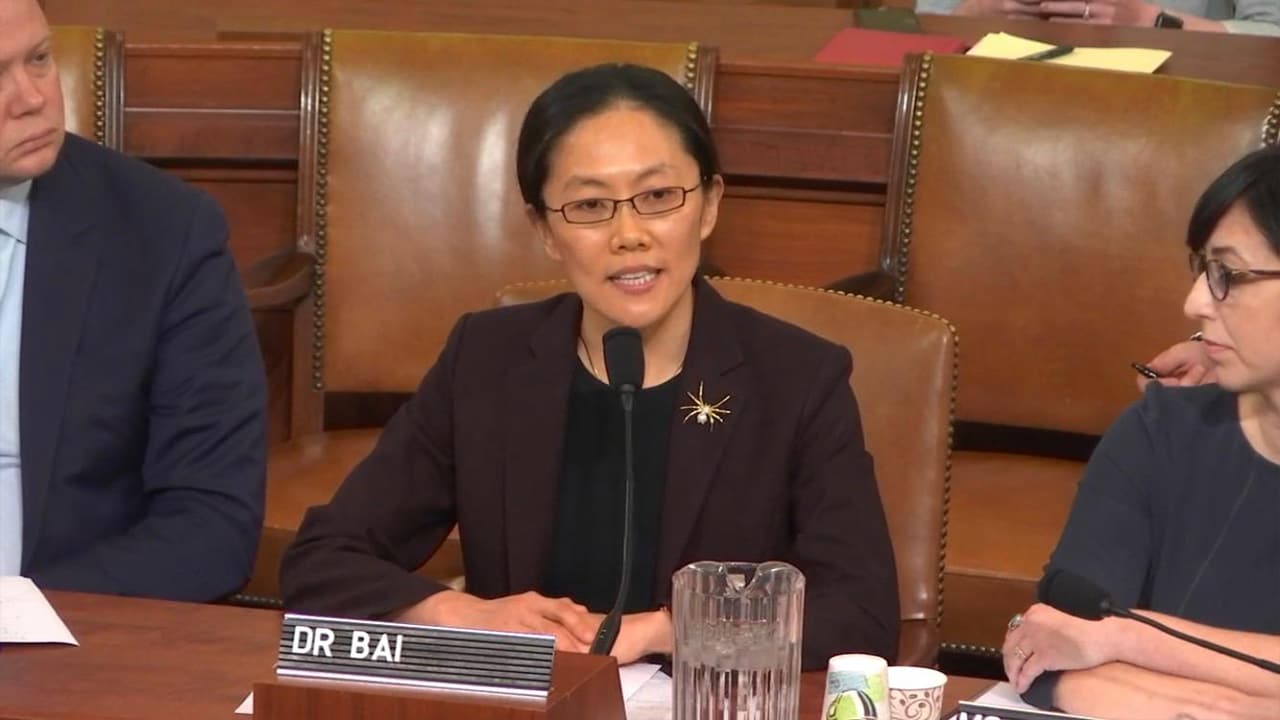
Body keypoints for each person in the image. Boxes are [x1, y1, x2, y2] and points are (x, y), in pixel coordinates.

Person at [279, 63, 899, 670]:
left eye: (658, 197)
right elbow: (323, 559)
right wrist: (466, 613)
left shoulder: (796, 379)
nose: (629, 234)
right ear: (545, 230)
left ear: (709, 205)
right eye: (589, 206)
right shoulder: (487, 360)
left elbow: (861, 615)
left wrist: (664, 629)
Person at [0, 0, 266, 600]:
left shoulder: (164, 231)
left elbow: (213, 524)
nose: (31, 97)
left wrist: (21, 613)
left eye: (39, 59)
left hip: (64, 638)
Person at [1002, 146, 1280, 718]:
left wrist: (1131, 641)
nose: (1195, 302)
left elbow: (1101, 637)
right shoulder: (1162, 428)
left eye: (1228, 274)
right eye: (1202, 269)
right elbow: (1052, 647)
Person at [916, 0, 1280, 36]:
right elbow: (921, 28)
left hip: (1175, 115)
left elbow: (1272, 36)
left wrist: (1155, 23)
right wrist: (977, 13)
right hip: (999, 105)